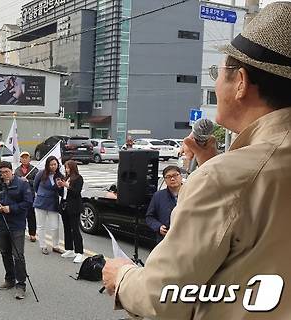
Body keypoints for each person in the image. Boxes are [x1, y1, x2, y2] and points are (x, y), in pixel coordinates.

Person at [102, 5, 291, 318]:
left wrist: (120, 275)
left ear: (241, 82)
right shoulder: (230, 174)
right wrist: (213, 164)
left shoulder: (225, 178)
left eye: (218, 73)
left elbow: (164, 298)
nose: (215, 84)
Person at [0, 161, 33, 300]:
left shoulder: (22, 184)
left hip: (17, 224)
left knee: (18, 255)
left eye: (6, 172)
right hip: (2, 222)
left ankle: (21, 285)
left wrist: (11, 208)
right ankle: (10, 279)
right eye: (1, 172)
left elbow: (28, 202)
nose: (4, 175)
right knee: (4, 252)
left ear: (12, 171)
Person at [33, 156, 64, 255]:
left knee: (55, 226)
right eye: (51, 165)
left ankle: (55, 245)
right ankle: (43, 245)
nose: (53, 166)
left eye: (55, 164)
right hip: (41, 202)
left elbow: (61, 192)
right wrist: (41, 194)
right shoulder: (41, 173)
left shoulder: (60, 175)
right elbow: (35, 185)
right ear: (47, 165)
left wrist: (60, 187)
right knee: (41, 226)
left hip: (53, 203)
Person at [145, 165, 182, 245]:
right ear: (165, 180)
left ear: (181, 176)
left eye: (175, 175)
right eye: (168, 177)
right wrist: (159, 227)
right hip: (165, 241)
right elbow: (149, 217)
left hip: (186, 239)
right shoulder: (158, 196)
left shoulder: (191, 193)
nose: (172, 179)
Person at [59, 160, 84, 263]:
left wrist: (67, 186)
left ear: (73, 168)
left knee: (75, 229)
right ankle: (69, 249)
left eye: (68, 167)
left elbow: (76, 192)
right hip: (65, 205)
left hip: (74, 207)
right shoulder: (66, 178)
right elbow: (62, 194)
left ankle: (79, 252)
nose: (66, 169)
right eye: (65, 168)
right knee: (67, 228)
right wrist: (60, 186)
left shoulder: (78, 178)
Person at [13, 151, 38, 242]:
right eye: (22, 158)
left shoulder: (34, 170)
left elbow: (37, 182)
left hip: (30, 195)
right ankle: (20, 232)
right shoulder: (17, 170)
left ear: (29, 159)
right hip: (20, 196)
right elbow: (14, 182)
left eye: (26, 157)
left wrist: (28, 181)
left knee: (31, 215)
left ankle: (32, 233)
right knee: (20, 215)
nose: (24, 159)